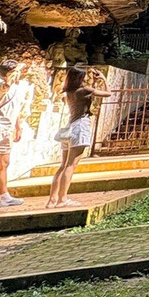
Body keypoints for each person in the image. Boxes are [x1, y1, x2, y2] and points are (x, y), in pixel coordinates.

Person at [47, 65, 112, 209]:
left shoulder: (70, 92)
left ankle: (52, 199)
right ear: (79, 78)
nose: (86, 78)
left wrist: (94, 84)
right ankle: (62, 199)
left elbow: (87, 97)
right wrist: (103, 79)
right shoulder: (84, 90)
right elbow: (108, 93)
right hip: (80, 127)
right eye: (84, 76)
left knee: (63, 165)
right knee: (71, 165)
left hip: (69, 127)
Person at [0, 59, 28, 207]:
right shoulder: (1, 86)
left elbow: (15, 108)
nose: (19, 74)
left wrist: (18, 126)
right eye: (15, 72)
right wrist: (9, 78)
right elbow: (5, 87)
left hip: (7, 128)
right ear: (8, 74)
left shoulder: (18, 87)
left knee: (4, 162)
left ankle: (4, 197)